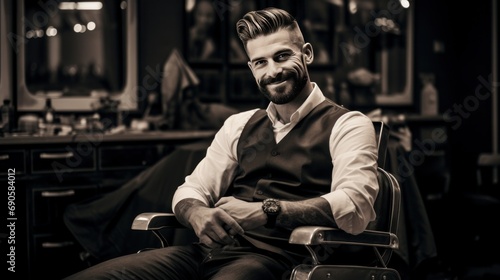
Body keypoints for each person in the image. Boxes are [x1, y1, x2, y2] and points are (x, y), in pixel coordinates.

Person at [63, 7, 379, 280]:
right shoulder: (238, 125)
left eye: (282, 56)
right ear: (251, 68)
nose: (273, 71)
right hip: (204, 255)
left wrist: (267, 212)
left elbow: (354, 205)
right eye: (260, 62)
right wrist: (196, 214)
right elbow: (190, 190)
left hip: (277, 261)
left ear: (306, 53)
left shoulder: (348, 124)